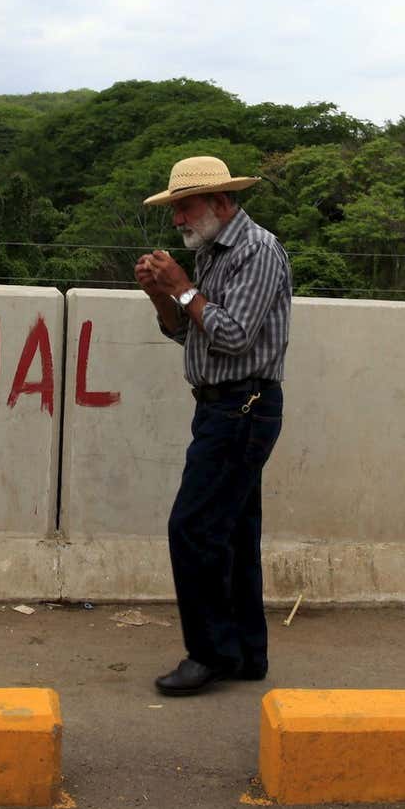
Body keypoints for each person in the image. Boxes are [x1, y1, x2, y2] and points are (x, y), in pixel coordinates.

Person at [133, 156, 293, 697]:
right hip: (223, 407)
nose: (179, 220)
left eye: (186, 207)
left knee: (194, 529)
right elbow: (193, 335)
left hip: (242, 408)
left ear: (221, 203)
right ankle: (247, 653)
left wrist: (180, 287)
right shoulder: (214, 253)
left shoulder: (257, 251)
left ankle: (210, 654)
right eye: (176, 210)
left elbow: (233, 335)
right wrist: (164, 297)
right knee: (233, 534)